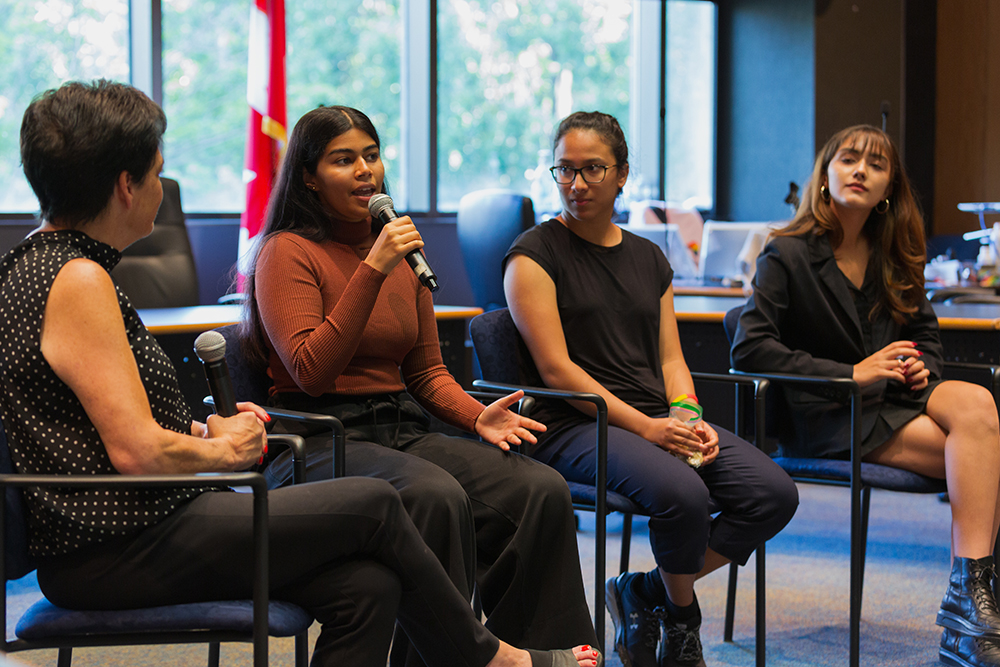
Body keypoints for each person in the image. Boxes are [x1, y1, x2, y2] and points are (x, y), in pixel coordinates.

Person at [0, 79, 601, 667]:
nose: (163, 188)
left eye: (372, 156)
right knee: (379, 504)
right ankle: (494, 659)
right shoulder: (79, 279)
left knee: (366, 588)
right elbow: (136, 454)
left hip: (133, 523)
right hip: (118, 539)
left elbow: (90, 424)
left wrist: (198, 429)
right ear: (126, 186)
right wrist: (225, 451)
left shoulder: (47, 266)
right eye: (158, 173)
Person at [241, 105, 599, 666]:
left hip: (399, 432)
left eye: (371, 155)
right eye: (343, 160)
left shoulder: (401, 252)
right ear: (308, 176)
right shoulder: (286, 252)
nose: (365, 171)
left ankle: (543, 654)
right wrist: (373, 269)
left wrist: (475, 416)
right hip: (316, 440)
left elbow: (427, 373)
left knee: (540, 490)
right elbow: (311, 372)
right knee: (434, 496)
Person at [502, 110, 799, 667]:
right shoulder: (531, 256)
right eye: (564, 170)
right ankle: (683, 621)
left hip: (654, 418)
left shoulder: (648, 257)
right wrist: (650, 429)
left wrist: (685, 415)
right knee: (683, 494)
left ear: (622, 174)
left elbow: (670, 358)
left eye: (593, 169)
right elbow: (557, 372)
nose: (577, 184)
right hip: (574, 421)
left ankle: (645, 592)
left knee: (773, 494)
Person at [731, 123, 1000, 667]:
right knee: (987, 453)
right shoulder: (786, 252)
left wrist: (922, 367)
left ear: (888, 189)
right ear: (826, 175)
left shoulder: (895, 253)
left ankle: (967, 601)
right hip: (828, 411)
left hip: (895, 399)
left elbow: (925, 337)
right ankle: (972, 608)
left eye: (875, 165)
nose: (860, 171)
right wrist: (850, 373)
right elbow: (750, 349)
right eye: (849, 159)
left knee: (975, 402)